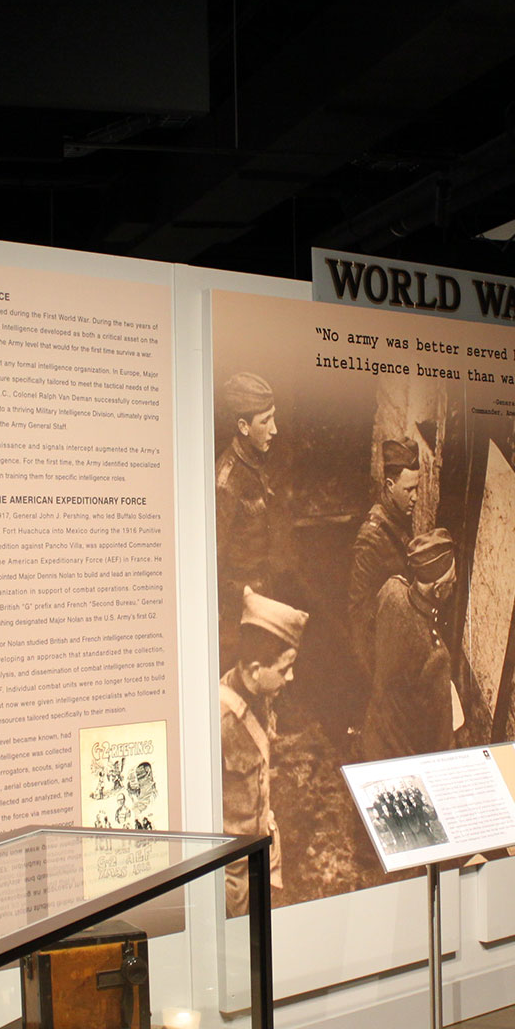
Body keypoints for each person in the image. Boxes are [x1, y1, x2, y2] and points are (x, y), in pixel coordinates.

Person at [219, 587, 307, 917]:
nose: (291, 677)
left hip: (256, 844)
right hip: (230, 868)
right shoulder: (221, 721)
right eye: (284, 669)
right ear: (257, 669)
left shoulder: (261, 697)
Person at [214, 371, 292, 662]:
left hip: (259, 595)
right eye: (265, 421)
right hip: (238, 609)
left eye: (274, 417)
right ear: (243, 426)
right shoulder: (226, 482)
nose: (274, 429)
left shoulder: (255, 463)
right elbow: (216, 558)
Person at [363, 529, 459, 761]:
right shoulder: (436, 654)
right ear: (438, 590)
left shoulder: (391, 591)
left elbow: (369, 637)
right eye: (452, 583)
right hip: (403, 754)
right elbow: (441, 737)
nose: (454, 587)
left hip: (374, 732)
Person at [347, 438, 421, 675]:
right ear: (390, 485)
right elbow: (358, 611)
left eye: (417, 488)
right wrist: (373, 674)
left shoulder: (398, 517)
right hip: (380, 654)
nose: (416, 497)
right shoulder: (371, 538)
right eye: (409, 489)